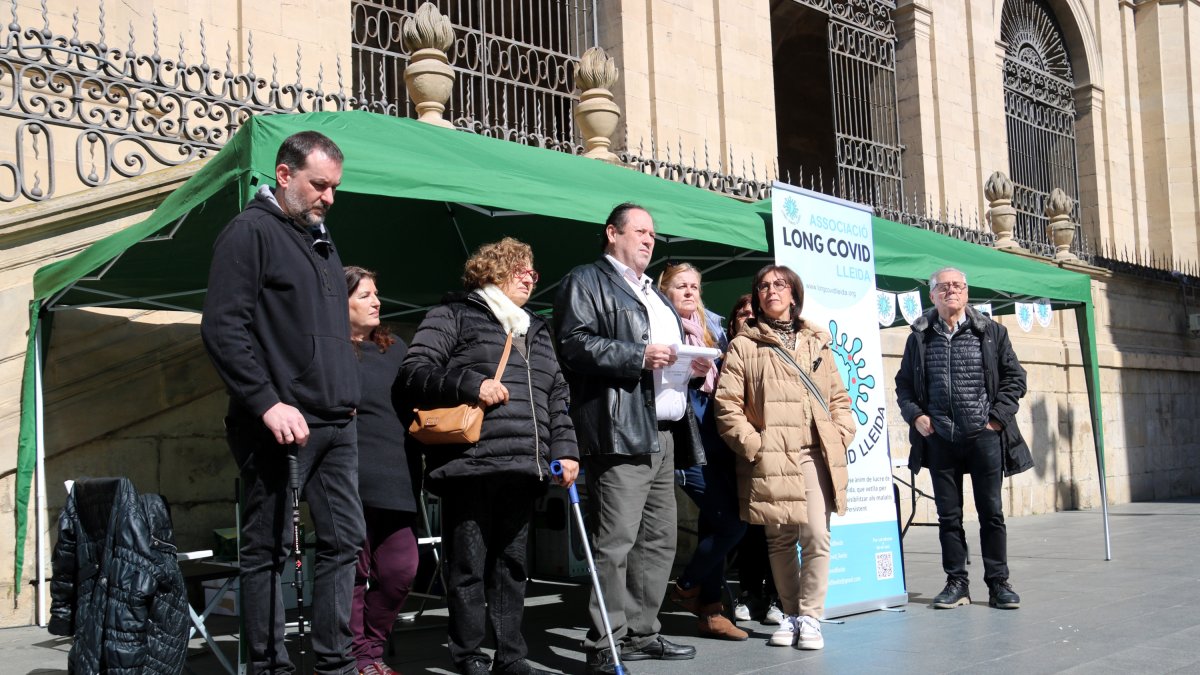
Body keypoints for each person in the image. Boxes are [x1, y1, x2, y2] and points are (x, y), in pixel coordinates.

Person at [201, 131, 365, 674]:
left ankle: (334, 662)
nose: (329, 197)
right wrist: (267, 403)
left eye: (335, 187)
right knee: (267, 550)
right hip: (279, 423)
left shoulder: (321, 240)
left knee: (346, 542)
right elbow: (225, 329)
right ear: (284, 174)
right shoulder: (249, 233)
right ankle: (270, 666)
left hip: (337, 420)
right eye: (320, 184)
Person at [401, 237, 580, 675]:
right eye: (521, 268)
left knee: (512, 564)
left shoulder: (535, 328)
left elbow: (557, 395)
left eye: (533, 271)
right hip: (470, 462)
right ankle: (468, 654)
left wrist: (566, 450)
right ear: (493, 270)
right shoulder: (454, 314)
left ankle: (511, 655)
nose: (530, 277)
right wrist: (472, 384)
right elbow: (415, 370)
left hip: (523, 464)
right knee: (468, 565)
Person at [552, 203, 706, 675]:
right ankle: (606, 640)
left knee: (659, 540)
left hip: (664, 433)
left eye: (653, 234)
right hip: (619, 432)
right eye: (640, 231)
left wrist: (692, 368)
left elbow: (666, 359)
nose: (649, 239)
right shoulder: (587, 279)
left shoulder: (653, 294)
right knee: (616, 541)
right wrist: (637, 354)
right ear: (612, 233)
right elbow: (571, 342)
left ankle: (643, 630)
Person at [714, 265, 856, 651]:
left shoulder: (816, 342)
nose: (770, 290)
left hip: (812, 452)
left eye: (779, 284)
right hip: (770, 454)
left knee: (816, 535)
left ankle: (810, 615)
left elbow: (839, 400)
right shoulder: (744, 345)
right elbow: (727, 407)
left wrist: (840, 433)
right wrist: (755, 445)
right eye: (763, 285)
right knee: (779, 540)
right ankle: (792, 615)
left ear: (794, 294)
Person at [894, 266, 1030, 610]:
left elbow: (1016, 379)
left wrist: (996, 420)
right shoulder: (920, 337)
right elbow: (904, 386)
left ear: (966, 292)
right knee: (948, 517)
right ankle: (957, 582)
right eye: (943, 287)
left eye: (957, 285)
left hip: (983, 437)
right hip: (940, 439)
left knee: (991, 513)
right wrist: (918, 416)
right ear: (932, 295)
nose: (950, 291)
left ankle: (999, 584)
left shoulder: (991, 332)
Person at [658, 264, 748, 641]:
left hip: (717, 437)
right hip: (683, 440)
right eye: (681, 286)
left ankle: (710, 612)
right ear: (665, 289)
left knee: (717, 522)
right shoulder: (657, 324)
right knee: (731, 523)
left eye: (695, 286)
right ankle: (686, 587)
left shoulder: (712, 327)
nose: (690, 292)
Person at [344, 267, 420, 675]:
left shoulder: (397, 348)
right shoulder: (332, 351)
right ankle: (361, 658)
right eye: (365, 296)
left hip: (398, 477)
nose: (376, 302)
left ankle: (370, 645)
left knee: (400, 570)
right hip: (348, 481)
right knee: (352, 575)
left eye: (377, 294)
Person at [723, 295, 784, 627]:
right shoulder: (725, 354)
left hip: (769, 452)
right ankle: (750, 592)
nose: (747, 319)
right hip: (733, 455)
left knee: (773, 528)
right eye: (741, 314)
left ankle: (777, 596)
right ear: (732, 323)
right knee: (747, 529)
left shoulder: (768, 351)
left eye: (752, 314)